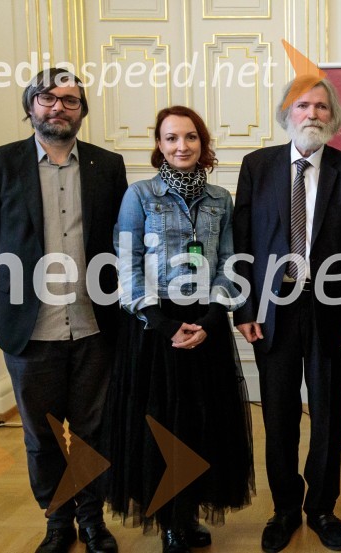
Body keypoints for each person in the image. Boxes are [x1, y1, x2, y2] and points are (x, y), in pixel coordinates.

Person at [0, 68, 127, 553]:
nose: (57, 107)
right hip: (28, 328)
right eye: (46, 97)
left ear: (82, 110)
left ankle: (92, 520)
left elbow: (117, 239)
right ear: (30, 105)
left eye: (70, 100)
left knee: (93, 431)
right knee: (43, 436)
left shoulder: (108, 164)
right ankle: (57, 522)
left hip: (95, 324)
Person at [105, 106, 254, 553]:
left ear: (202, 144)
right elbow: (126, 265)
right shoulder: (139, 196)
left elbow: (230, 266)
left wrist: (211, 319)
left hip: (206, 324)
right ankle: (171, 519)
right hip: (155, 327)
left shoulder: (220, 199)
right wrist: (162, 323)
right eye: (171, 139)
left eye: (190, 138)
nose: (181, 146)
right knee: (162, 425)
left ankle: (189, 514)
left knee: (201, 425)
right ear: (159, 145)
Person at [233, 77, 341, 553]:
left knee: (329, 415)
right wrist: (243, 308)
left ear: (333, 118)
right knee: (279, 415)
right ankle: (286, 508)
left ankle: (322, 508)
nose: (312, 113)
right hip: (273, 312)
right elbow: (242, 243)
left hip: (332, 313)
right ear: (285, 113)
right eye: (302, 105)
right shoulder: (257, 166)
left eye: (321, 106)